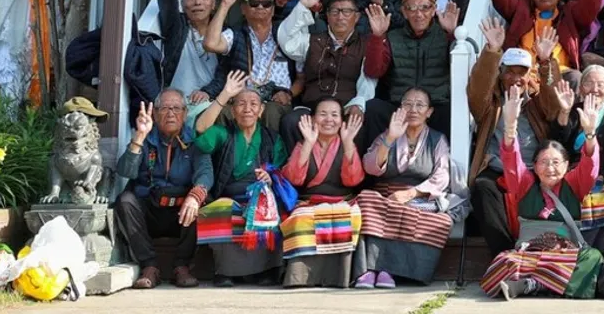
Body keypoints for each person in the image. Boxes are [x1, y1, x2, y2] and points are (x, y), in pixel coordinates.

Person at [479, 88, 604, 300]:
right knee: (503, 261)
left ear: (566, 166)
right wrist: (510, 126)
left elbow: (590, 165)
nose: (550, 168)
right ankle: (551, 284)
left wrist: (590, 133)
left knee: (592, 257)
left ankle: (532, 285)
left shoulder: (574, 184)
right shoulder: (526, 184)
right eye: (544, 163)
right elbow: (511, 159)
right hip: (531, 252)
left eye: (556, 163)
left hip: (565, 254)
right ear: (535, 166)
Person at [468, 20, 574, 257]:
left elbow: (553, 101)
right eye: (510, 72)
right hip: (498, 169)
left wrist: (546, 62)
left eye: (522, 73)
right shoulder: (490, 103)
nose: (516, 78)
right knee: (481, 188)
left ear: (530, 76)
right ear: (501, 74)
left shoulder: (537, 101)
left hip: (535, 169)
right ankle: (505, 254)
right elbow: (477, 88)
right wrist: (492, 52)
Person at [353, 88, 468, 288]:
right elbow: (370, 166)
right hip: (386, 197)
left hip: (418, 198)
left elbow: (442, 176)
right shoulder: (387, 134)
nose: (413, 109)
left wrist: (410, 193)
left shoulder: (437, 139)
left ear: (429, 112)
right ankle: (368, 270)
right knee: (365, 200)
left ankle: (390, 271)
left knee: (434, 217)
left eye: (420, 105)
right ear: (400, 109)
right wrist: (389, 139)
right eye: (407, 104)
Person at [194, 75, 289, 287]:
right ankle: (225, 272)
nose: (247, 109)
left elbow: (283, 170)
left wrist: (271, 178)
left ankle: (267, 270)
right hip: (229, 194)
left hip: (261, 195)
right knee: (221, 210)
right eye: (241, 104)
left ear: (261, 111)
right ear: (233, 110)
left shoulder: (272, 138)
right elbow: (200, 129)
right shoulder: (223, 133)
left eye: (253, 104)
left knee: (272, 208)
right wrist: (224, 95)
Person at [114, 92, 212, 289]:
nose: (170, 113)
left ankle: (182, 267)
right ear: (156, 114)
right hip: (150, 210)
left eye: (176, 108)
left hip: (182, 214)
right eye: (164, 108)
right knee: (125, 201)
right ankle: (149, 266)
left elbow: (206, 173)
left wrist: (195, 197)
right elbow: (125, 171)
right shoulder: (146, 139)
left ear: (185, 113)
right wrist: (139, 136)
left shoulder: (194, 142)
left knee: (205, 201)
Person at [275, 0, 376, 151]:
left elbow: (368, 80)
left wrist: (359, 103)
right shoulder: (312, 41)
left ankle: (354, 175)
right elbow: (286, 41)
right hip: (312, 107)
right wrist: (302, 6)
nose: (340, 17)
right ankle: (295, 173)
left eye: (347, 12)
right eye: (335, 12)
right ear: (327, 16)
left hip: (347, 106)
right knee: (291, 121)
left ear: (357, 17)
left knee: (358, 122)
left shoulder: (365, 44)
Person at [278, 98, 366, 288]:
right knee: (300, 218)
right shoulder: (304, 144)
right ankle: (300, 278)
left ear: (342, 121)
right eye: (323, 114)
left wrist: (349, 142)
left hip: (343, 201)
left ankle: (338, 278)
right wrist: (309, 143)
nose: (329, 119)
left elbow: (354, 180)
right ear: (312, 119)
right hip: (309, 203)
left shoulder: (346, 143)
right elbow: (293, 179)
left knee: (352, 216)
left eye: (334, 115)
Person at [362, 0, 460, 140]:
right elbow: (373, 70)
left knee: (453, 112)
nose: (419, 14)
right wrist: (378, 36)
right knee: (373, 108)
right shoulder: (393, 37)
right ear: (404, 12)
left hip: (434, 105)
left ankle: (447, 163)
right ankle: (376, 161)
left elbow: (460, 71)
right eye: (412, 8)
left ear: (434, 10)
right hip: (401, 107)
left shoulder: (444, 36)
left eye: (425, 7)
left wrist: (452, 34)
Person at [201, 0, 295, 132]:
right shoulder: (236, 33)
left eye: (266, 4)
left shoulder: (285, 34)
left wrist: (288, 93)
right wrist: (225, 5)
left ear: (272, 9)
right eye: (253, 3)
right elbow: (210, 44)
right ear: (243, 9)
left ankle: (271, 155)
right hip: (242, 98)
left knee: (271, 111)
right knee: (223, 112)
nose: (260, 7)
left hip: (276, 98)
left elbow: (302, 77)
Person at [158, 0, 222, 120]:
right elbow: (167, 0)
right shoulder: (176, 27)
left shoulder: (224, 33)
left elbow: (227, 72)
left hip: (210, 103)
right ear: (183, 5)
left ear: (213, 5)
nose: (197, 2)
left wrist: (208, 91)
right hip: (175, 105)